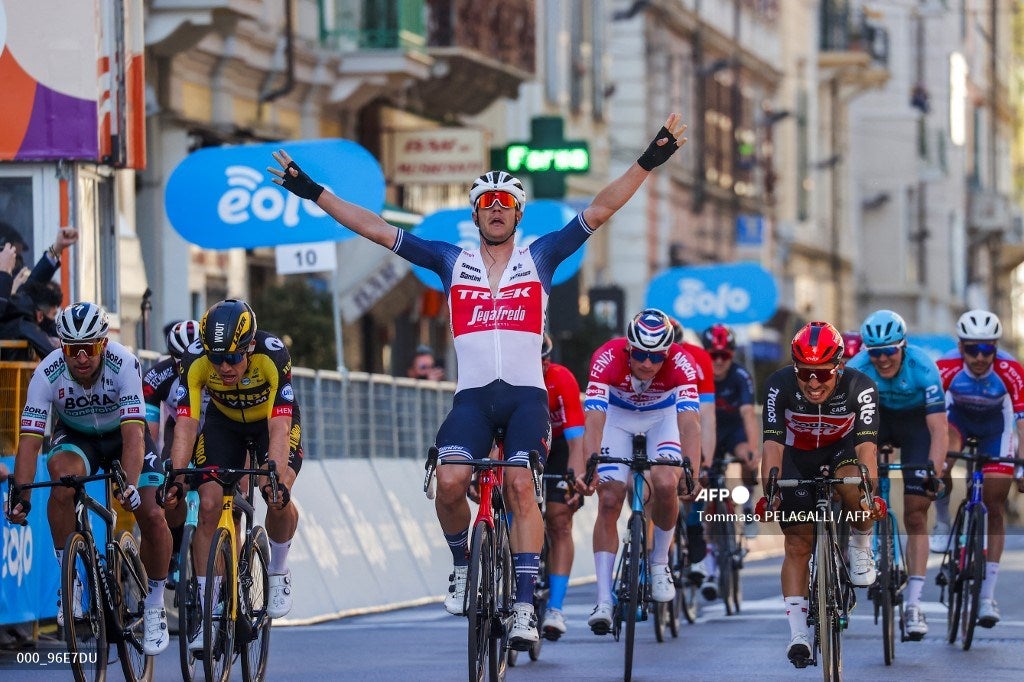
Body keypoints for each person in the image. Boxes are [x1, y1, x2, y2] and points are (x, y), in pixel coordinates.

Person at [270, 114, 687, 650]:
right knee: (448, 482)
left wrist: (648, 161)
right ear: (475, 214)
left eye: (505, 205)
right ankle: (463, 564)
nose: (496, 210)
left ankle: (523, 609)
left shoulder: (541, 256)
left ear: (517, 214)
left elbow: (600, 209)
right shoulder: (450, 260)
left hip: (526, 399)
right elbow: (372, 227)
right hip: (471, 399)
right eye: (487, 204)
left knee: (518, 486)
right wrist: (313, 192)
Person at [4, 302, 172, 655]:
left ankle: (154, 606)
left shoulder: (124, 363)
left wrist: (128, 484)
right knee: (61, 479)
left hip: (123, 435)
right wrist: (20, 495)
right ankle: (74, 577)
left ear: (103, 345)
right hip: (78, 437)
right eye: (72, 349)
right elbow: (30, 441)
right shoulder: (47, 372)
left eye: (89, 348)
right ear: (61, 348)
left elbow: (134, 438)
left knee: (153, 514)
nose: (81, 358)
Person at [162, 300, 302, 651]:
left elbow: (280, 424)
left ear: (249, 347)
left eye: (234, 358)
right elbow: (188, 422)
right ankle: (212, 613)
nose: (224, 367)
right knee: (208, 501)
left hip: (270, 421)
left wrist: (274, 472)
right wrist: (177, 475)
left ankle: (279, 569)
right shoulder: (195, 361)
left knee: (275, 491)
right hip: (224, 424)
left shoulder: (273, 354)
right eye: (216, 359)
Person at [756, 321, 882, 666]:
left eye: (823, 374)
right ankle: (798, 634)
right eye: (805, 372)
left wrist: (867, 496)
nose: (813, 382)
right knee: (797, 544)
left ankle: (860, 545)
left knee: (854, 484)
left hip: (842, 453)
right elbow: (771, 446)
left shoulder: (861, 386)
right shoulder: (779, 385)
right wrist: (771, 490)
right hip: (797, 458)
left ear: (839, 367)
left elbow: (868, 451)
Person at [575, 308, 702, 634]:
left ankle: (660, 561)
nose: (647, 363)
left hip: (663, 419)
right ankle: (604, 599)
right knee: (609, 499)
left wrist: (693, 471)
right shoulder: (606, 358)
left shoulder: (682, 363)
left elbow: (689, 423)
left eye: (656, 357)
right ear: (629, 348)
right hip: (617, 419)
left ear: (668, 353)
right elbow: (594, 419)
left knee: (664, 481)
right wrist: (590, 464)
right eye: (641, 355)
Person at [845, 309, 947, 639]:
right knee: (864, 482)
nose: (883, 359)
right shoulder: (857, 368)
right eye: (875, 352)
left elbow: (939, 429)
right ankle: (868, 550)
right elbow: (848, 427)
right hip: (876, 422)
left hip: (916, 425)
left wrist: (934, 469)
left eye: (889, 351)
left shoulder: (922, 367)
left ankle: (915, 605)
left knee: (917, 513)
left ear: (902, 346)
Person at [932, 309, 1024, 628]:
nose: (981, 357)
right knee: (942, 459)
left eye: (988, 349)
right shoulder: (944, 367)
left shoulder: (1011, 369)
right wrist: (936, 459)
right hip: (956, 421)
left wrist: (1022, 467)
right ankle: (943, 522)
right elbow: (935, 419)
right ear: (961, 348)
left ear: (996, 348)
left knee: (995, 502)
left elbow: (1021, 424)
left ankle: (987, 596)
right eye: (973, 349)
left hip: (993, 429)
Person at [667, 319, 719, 599]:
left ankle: (696, 545)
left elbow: (707, 415)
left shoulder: (697, 359)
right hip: (659, 424)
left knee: (694, 488)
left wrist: (706, 460)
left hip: (688, 424)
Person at [538, 333, 585, 639]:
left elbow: (577, 438)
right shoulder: (509, 375)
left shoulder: (560, 379)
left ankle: (555, 607)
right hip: (528, 446)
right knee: (513, 506)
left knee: (560, 521)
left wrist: (576, 477)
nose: (541, 367)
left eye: (545, 361)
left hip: (558, 450)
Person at [702, 323, 760, 539]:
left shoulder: (740, 376)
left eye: (724, 355)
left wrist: (753, 450)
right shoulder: (698, 374)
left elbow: (748, 415)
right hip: (708, 432)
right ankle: (706, 536)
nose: (718, 361)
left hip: (734, 431)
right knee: (704, 477)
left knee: (747, 455)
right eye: (713, 354)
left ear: (732, 354)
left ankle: (747, 507)